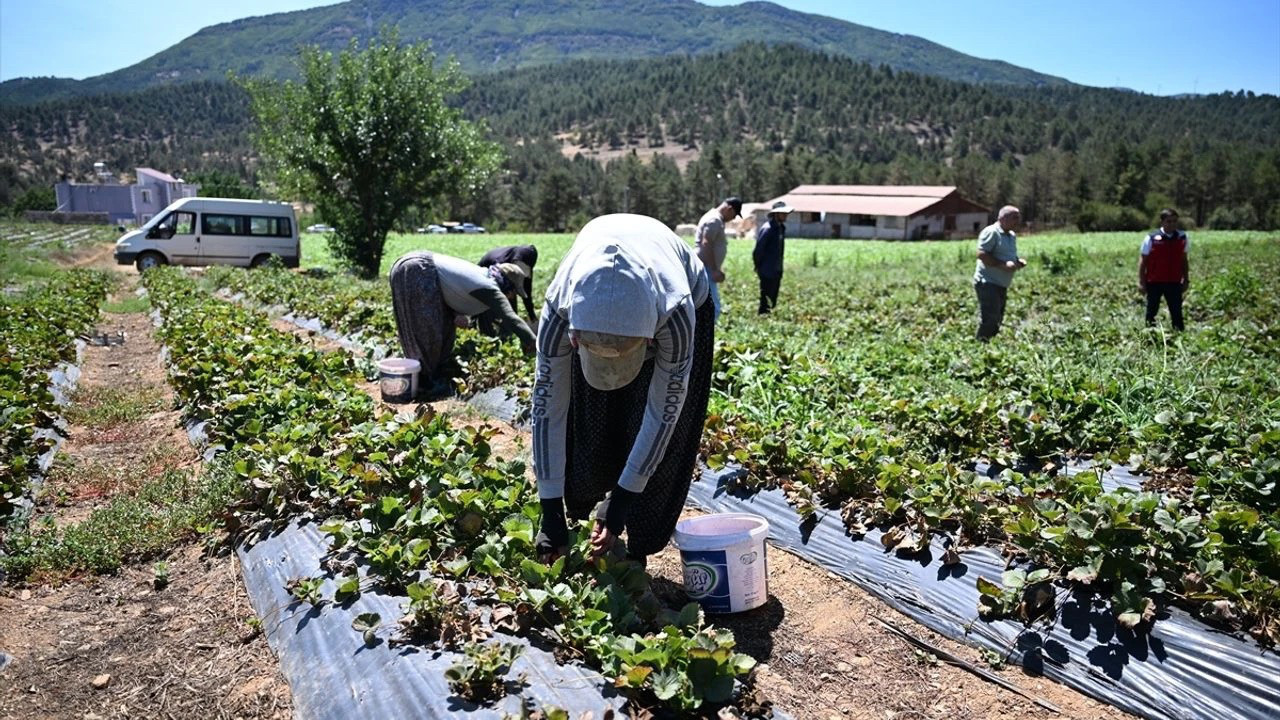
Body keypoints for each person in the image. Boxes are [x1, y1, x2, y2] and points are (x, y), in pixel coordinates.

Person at [532, 214, 714, 566]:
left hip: (679, 298)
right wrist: (549, 510)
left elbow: (664, 413)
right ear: (575, 338)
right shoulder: (560, 307)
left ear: (649, 341)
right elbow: (547, 408)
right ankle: (584, 507)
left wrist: (624, 498)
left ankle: (636, 545)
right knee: (591, 420)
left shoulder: (676, 311)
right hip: (602, 315)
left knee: (666, 435)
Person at [389, 250, 535, 397]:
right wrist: (533, 343)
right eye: (514, 292)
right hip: (418, 271)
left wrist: (457, 315)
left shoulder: (483, 276)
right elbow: (510, 317)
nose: (512, 297)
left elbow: (449, 288)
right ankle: (424, 383)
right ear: (507, 284)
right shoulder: (489, 287)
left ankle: (428, 378)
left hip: (413, 267)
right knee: (427, 332)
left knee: (444, 330)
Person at [973, 205, 1028, 341]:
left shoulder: (1011, 235)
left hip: (1001, 284)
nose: (1017, 221)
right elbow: (982, 254)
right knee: (991, 318)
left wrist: (1017, 261)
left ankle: (988, 345)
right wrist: (1002, 265)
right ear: (1003, 218)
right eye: (1014, 218)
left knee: (998, 318)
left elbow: (1007, 255)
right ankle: (980, 345)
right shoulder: (992, 232)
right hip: (987, 282)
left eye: (1018, 218)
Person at [1139, 209, 1190, 331]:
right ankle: (1150, 334)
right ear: (1162, 222)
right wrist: (1141, 282)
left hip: (1174, 281)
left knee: (1176, 312)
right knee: (1151, 311)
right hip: (1154, 281)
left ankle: (1179, 335)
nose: (1172, 224)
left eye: (1174, 221)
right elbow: (1143, 262)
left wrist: (1186, 279)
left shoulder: (1182, 237)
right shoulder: (1151, 238)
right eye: (1169, 221)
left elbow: (1184, 260)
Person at [695, 197, 742, 321]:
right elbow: (706, 243)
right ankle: (704, 332)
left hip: (707, 267)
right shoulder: (714, 220)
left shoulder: (715, 218)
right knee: (713, 308)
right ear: (729, 209)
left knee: (704, 305)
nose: (733, 219)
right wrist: (714, 269)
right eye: (734, 215)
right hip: (706, 268)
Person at [478, 244, 539, 323]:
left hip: (502, 280)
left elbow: (526, 291)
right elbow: (500, 293)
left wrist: (532, 315)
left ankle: (509, 325)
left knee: (511, 309)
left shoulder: (525, 265)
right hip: (485, 276)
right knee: (493, 308)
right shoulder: (501, 264)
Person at [753, 200, 792, 314]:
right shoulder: (768, 229)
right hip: (767, 269)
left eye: (786, 213)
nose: (785, 216)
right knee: (766, 298)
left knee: (773, 297)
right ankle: (763, 317)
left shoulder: (781, 228)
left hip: (777, 268)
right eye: (783, 213)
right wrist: (758, 267)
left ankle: (769, 317)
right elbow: (758, 251)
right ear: (776, 214)